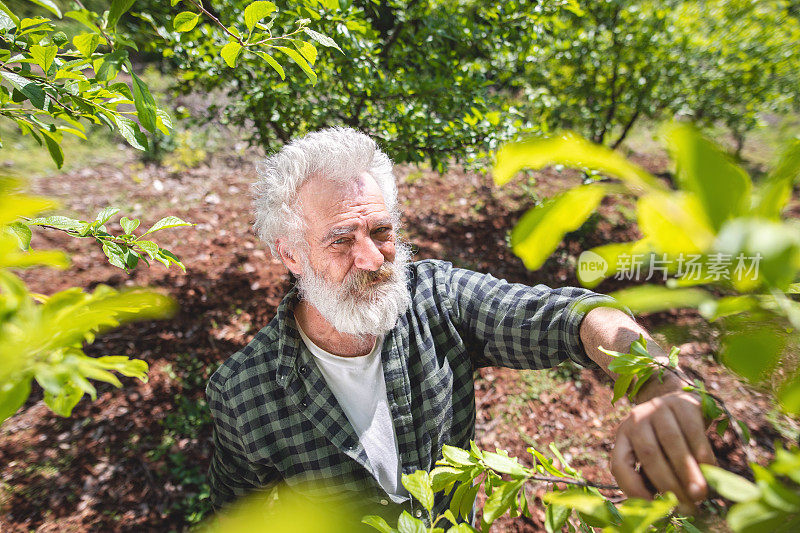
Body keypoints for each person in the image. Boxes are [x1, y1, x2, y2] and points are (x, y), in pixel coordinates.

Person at [206, 127, 715, 525]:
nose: (371, 258)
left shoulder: (436, 301)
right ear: (291, 253)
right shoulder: (243, 392)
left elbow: (567, 317)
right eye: (341, 240)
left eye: (381, 232)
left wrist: (652, 375)